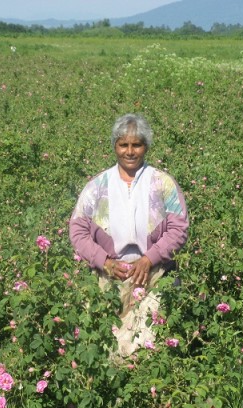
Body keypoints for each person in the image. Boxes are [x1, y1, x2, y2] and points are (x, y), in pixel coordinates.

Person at [69, 113, 189, 357]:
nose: (130, 151)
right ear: (115, 146)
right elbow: (78, 230)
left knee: (147, 343)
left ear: (146, 147)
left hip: (155, 272)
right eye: (123, 144)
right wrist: (105, 262)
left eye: (137, 144)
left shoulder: (161, 182)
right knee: (106, 345)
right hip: (109, 274)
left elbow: (179, 228)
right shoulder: (97, 185)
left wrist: (149, 259)